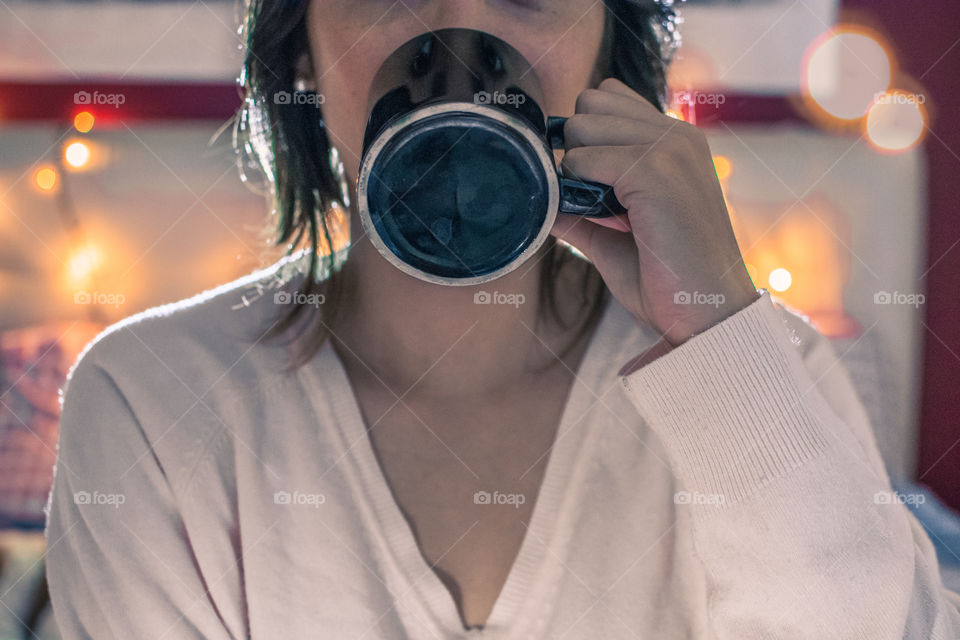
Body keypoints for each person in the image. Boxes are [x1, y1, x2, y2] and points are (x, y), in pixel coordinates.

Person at [45, 1, 960, 638]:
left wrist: (721, 331)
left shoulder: (767, 366)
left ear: (603, 63)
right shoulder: (150, 403)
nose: (462, 39)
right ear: (300, 58)